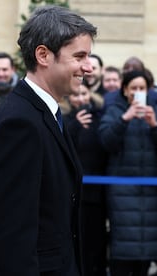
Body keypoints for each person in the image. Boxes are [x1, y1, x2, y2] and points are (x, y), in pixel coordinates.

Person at [0, 5, 97, 276]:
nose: (88, 67)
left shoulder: (42, 113)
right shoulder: (18, 124)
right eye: (79, 56)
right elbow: (12, 236)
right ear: (43, 55)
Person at [98, 70, 157, 276]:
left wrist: (154, 125)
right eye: (133, 88)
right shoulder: (114, 110)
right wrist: (124, 118)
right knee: (122, 251)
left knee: (146, 254)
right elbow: (106, 142)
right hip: (122, 193)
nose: (137, 92)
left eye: (142, 88)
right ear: (125, 90)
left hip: (153, 192)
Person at [63, 83, 108, 276]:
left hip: (96, 192)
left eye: (84, 94)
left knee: (96, 241)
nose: (81, 98)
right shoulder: (63, 119)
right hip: (72, 192)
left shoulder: (100, 117)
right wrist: (74, 124)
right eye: (76, 94)